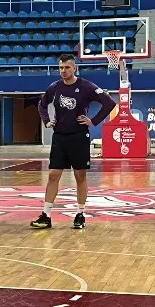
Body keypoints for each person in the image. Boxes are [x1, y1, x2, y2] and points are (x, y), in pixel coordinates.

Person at [32, 54, 116, 230]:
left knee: (80, 177)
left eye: (67, 67)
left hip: (79, 136)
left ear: (75, 68)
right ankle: (46, 215)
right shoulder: (54, 88)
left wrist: (94, 121)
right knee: (53, 175)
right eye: (61, 68)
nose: (63, 71)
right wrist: (47, 121)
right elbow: (41, 105)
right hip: (59, 137)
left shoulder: (86, 86)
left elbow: (109, 103)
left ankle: (80, 214)